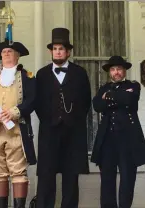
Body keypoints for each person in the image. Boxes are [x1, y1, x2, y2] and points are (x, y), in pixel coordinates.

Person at [35, 27, 91, 208]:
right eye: (55, 49)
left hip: (73, 132)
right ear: (51, 51)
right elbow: (38, 102)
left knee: (71, 175)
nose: (58, 52)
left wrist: (72, 120)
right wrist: (49, 119)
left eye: (61, 49)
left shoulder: (80, 73)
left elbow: (86, 101)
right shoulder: (42, 74)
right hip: (49, 131)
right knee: (46, 176)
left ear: (68, 52)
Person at [0, 40, 37, 208]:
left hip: (16, 131)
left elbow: (32, 100)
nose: (7, 54)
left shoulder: (27, 76)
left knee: (18, 173)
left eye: (10, 51)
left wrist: (14, 112)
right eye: (4, 52)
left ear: (18, 55)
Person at [91, 56, 145, 208]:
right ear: (109, 72)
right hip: (107, 140)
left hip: (128, 140)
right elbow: (97, 105)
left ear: (124, 71)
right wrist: (117, 98)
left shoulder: (133, 86)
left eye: (118, 69)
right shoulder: (104, 87)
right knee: (107, 179)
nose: (116, 72)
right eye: (113, 69)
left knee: (127, 178)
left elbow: (130, 100)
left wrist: (109, 97)